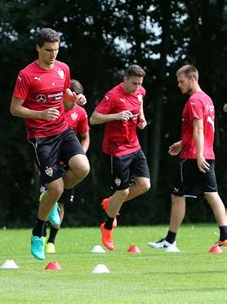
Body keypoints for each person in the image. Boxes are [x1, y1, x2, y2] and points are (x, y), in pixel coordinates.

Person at [10, 28, 90, 260]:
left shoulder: (63, 68)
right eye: (48, 50)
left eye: (56, 49)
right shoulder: (26, 75)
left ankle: (52, 199)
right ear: (38, 48)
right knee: (55, 188)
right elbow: (15, 109)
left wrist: (75, 99)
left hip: (63, 130)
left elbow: (63, 90)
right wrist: (40, 114)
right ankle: (38, 232)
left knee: (83, 168)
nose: (53, 54)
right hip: (41, 137)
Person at [149, 65, 227, 248]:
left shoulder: (194, 101)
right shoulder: (207, 99)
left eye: (181, 81)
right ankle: (225, 235)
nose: (179, 85)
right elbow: (201, 131)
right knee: (212, 194)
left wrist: (197, 154)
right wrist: (182, 142)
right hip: (207, 153)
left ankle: (170, 241)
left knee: (177, 196)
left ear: (193, 80)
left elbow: (199, 128)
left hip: (193, 156)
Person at [89, 65, 151, 250]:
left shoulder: (140, 91)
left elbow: (139, 103)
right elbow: (94, 118)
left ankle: (111, 202)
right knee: (122, 192)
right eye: (134, 83)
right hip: (116, 150)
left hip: (134, 146)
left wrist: (142, 119)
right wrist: (116, 116)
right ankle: (107, 227)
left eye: (140, 84)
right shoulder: (112, 96)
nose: (137, 87)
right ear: (125, 79)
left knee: (144, 185)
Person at [46, 79, 90, 254]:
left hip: (70, 166)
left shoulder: (80, 113)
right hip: (50, 161)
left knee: (61, 203)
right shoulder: (52, 110)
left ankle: (51, 241)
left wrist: (81, 153)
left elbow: (85, 136)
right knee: (47, 198)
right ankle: (40, 233)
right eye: (73, 99)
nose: (75, 103)